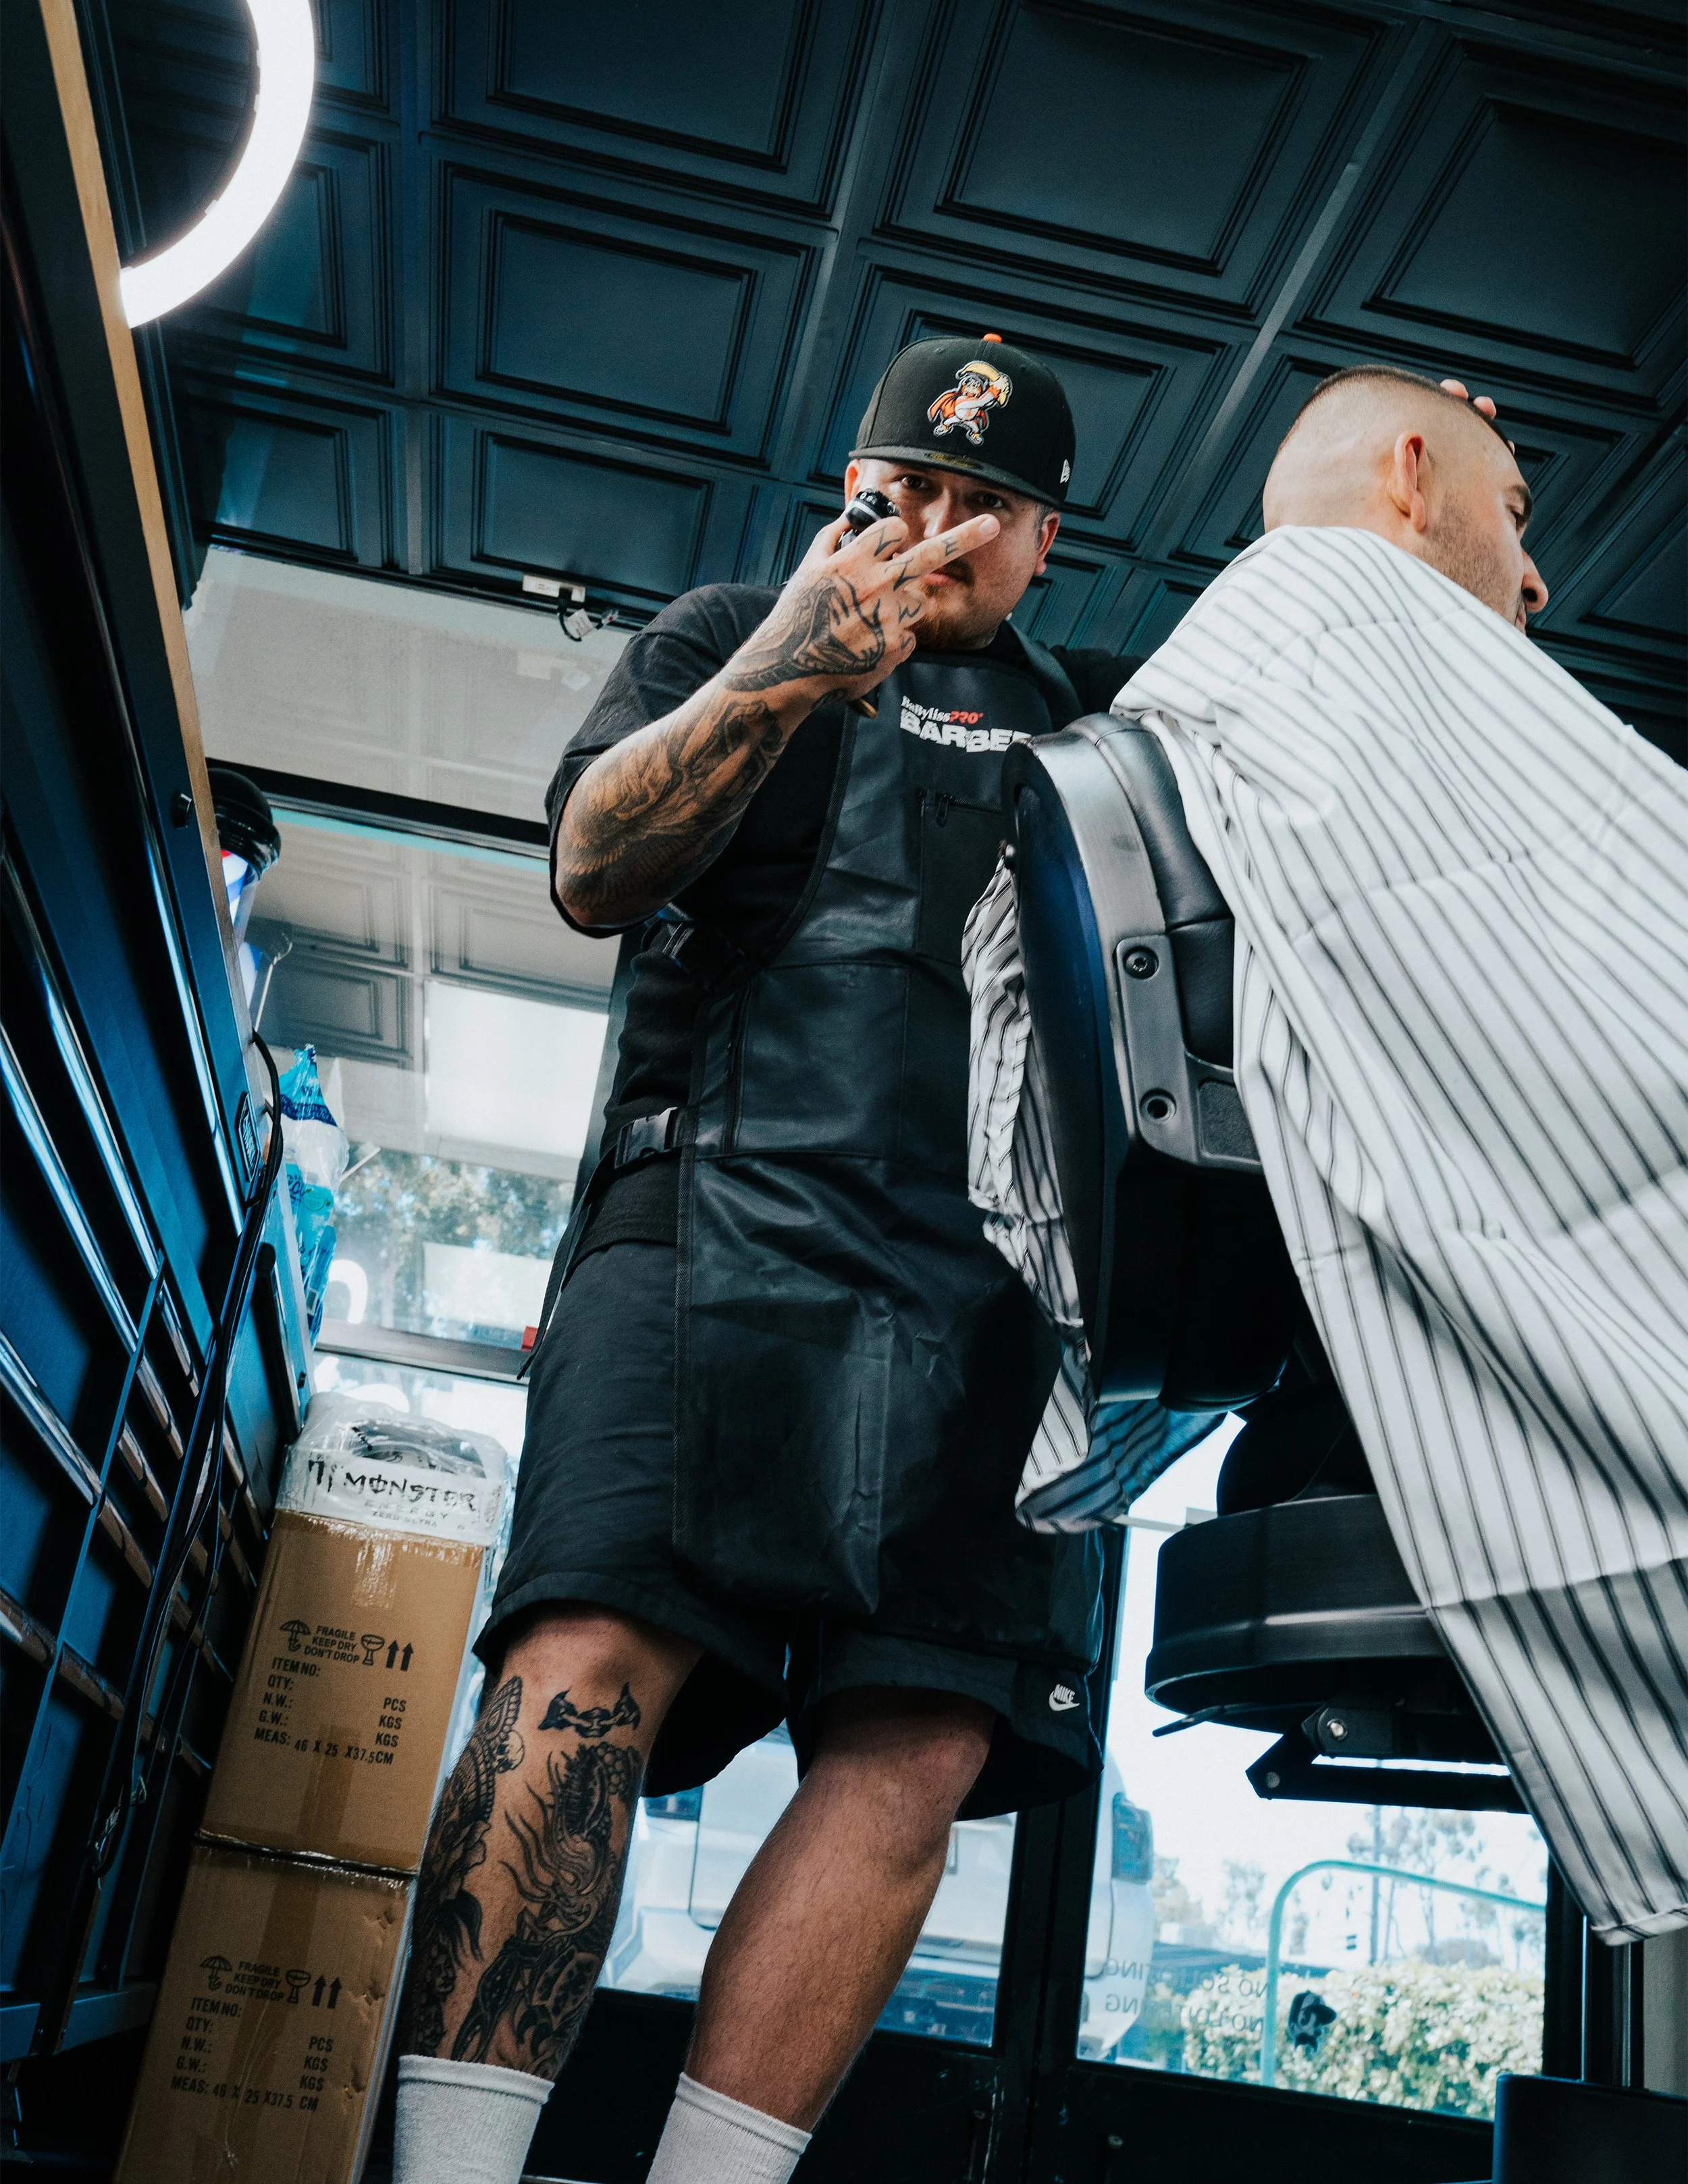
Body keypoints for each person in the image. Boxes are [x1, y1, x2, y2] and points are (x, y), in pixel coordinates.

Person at [392, 334, 1146, 2184]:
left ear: (1047, 538)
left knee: (921, 1745)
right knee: (579, 1661)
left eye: (991, 504)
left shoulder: (1117, 732)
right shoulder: (721, 631)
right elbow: (592, 866)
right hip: (704, 1222)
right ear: (851, 488)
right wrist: (794, 664)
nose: (946, 527)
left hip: (994, 1300)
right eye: (912, 488)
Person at [968, 363, 1688, 1947]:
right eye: (1515, 516)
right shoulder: (1352, 627)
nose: (1540, 574)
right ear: (1409, 478)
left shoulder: (1224, 683)